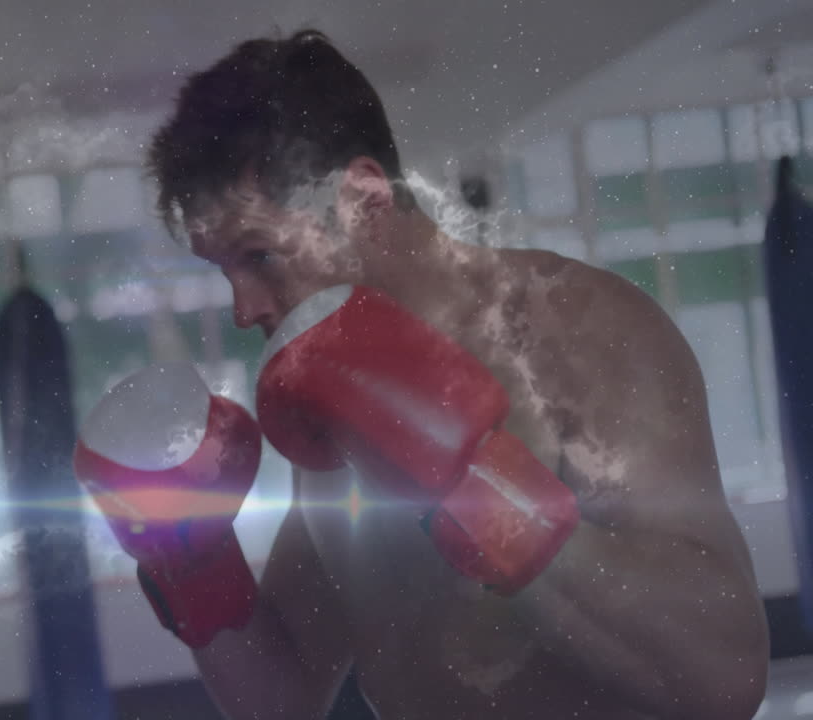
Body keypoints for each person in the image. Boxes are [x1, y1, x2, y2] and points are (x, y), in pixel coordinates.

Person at [82, 29, 770, 720]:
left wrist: (478, 488)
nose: (242, 309)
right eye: (225, 271)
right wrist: (195, 565)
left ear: (365, 202)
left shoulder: (571, 334)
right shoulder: (328, 397)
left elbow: (725, 679)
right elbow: (283, 700)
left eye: (259, 256)